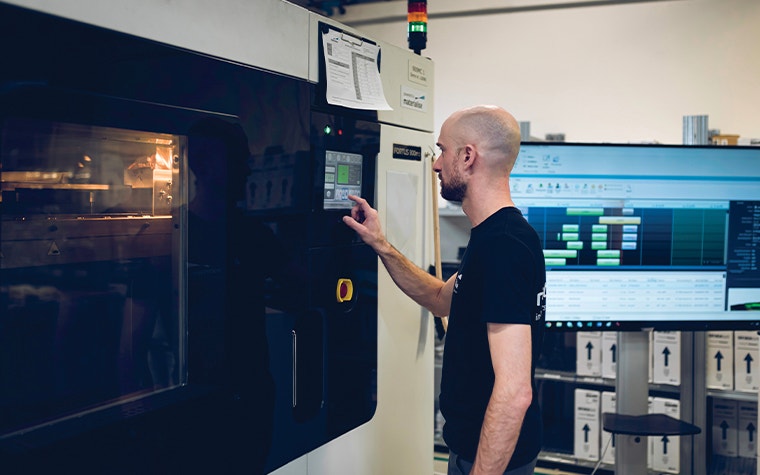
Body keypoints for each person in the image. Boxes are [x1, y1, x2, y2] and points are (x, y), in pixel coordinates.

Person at [343, 105, 546, 475]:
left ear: (468, 157)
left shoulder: (505, 246)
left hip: (492, 460)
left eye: (442, 151)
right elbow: (439, 298)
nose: (436, 164)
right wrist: (381, 244)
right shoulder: (491, 238)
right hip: (470, 449)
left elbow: (515, 392)